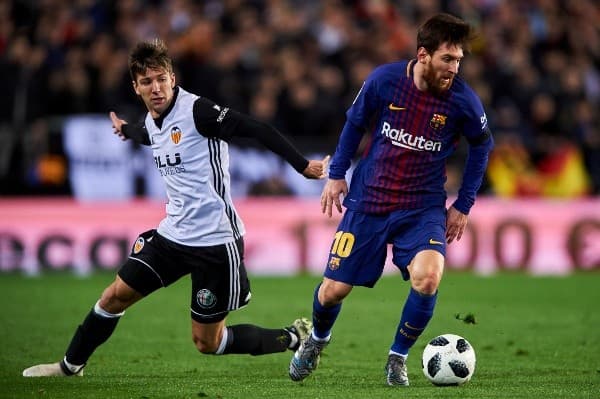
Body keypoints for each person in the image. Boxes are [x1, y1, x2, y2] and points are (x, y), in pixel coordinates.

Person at [23, 38, 329, 377]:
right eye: (146, 82)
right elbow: (151, 135)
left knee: (206, 343)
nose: (156, 88)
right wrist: (127, 130)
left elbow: (256, 129)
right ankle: (69, 366)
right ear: (136, 87)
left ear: (172, 77)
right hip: (172, 236)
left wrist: (303, 166)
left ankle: (290, 337)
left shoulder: (198, 112)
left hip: (215, 241)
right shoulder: (153, 120)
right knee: (113, 297)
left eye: (161, 79)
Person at [289, 13, 494, 386]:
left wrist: (463, 204)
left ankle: (397, 358)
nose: (454, 68)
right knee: (334, 290)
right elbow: (355, 124)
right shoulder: (384, 81)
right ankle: (317, 341)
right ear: (423, 55)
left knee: (428, 278)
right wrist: (336, 175)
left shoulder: (463, 101)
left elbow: (483, 145)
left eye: (459, 60)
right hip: (369, 201)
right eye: (447, 59)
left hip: (423, 207)